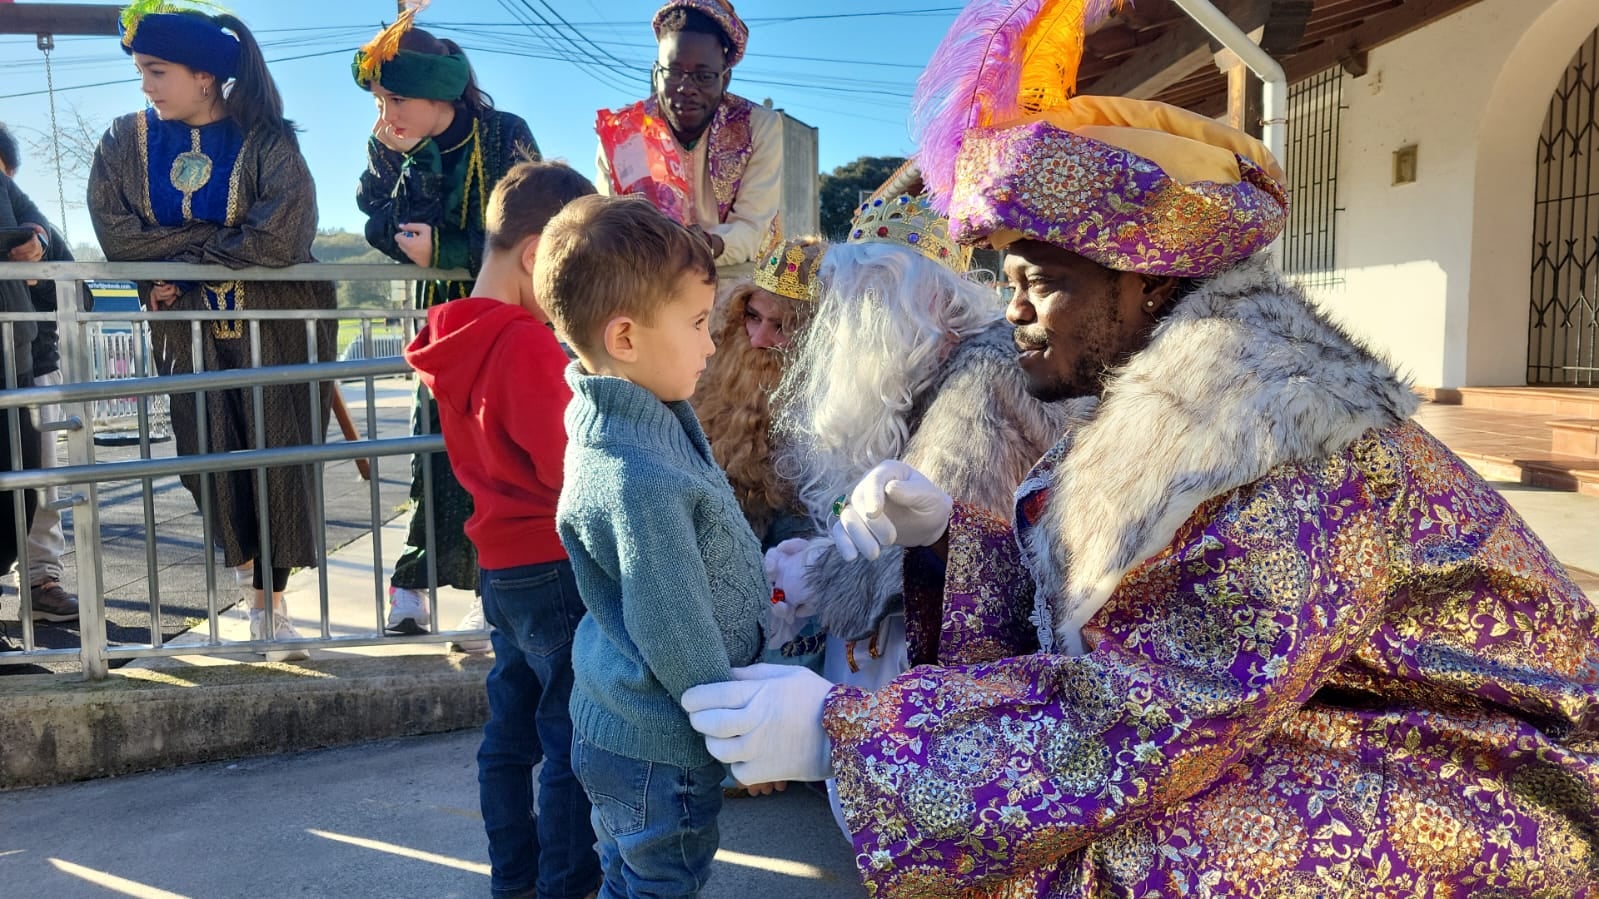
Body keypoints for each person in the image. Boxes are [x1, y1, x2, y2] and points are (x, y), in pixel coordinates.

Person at [680, 1, 1599, 896]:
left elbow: (1159, 705)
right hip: (1345, 723)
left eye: (1042, 282)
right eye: (1008, 281)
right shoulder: (1158, 408)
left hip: (1514, 769)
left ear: (1150, 287)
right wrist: (955, 542)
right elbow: (1115, 625)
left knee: (1135, 857)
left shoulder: (1285, 450)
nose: (1012, 312)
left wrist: (848, 739)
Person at [88, 2, 335, 662]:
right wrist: (206, 255)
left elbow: (280, 236)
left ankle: (270, 604)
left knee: (274, 459)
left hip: (275, 328)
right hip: (189, 334)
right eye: (142, 71)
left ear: (205, 77)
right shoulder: (123, 142)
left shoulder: (269, 141)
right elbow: (119, 235)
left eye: (156, 70)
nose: (145, 85)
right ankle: (251, 584)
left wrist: (182, 263)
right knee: (211, 458)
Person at [538, 195, 766, 897]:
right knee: (659, 882)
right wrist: (736, 726)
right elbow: (671, 621)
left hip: (630, 729)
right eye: (697, 324)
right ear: (627, 339)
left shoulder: (641, 416)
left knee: (628, 875)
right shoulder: (634, 471)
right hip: (658, 747)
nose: (709, 342)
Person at [404, 160, 600, 899]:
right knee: (568, 735)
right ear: (533, 257)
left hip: (502, 566)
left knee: (508, 736)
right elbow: (567, 470)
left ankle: (514, 882)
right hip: (553, 560)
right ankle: (562, 885)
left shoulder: (453, 333)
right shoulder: (520, 343)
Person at [354, 8, 542, 646]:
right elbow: (372, 213)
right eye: (380, 100)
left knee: (505, 454)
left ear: (440, 92)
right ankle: (414, 585)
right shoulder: (391, 144)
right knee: (435, 448)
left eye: (396, 98)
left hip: (514, 316)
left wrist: (450, 251)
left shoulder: (505, 133)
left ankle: (494, 587)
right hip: (445, 321)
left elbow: (538, 225)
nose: (386, 115)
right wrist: (400, 227)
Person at [596, 0, 780, 266]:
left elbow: (752, 227)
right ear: (656, 73)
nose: (686, 87)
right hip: (647, 285)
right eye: (673, 72)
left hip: (734, 282)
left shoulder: (758, 125)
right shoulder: (623, 133)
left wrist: (703, 243)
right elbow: (608, 223)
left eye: (703, 76)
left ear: (725, 78)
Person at [692, 229, 823, 551]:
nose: (757, 339)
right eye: (752, 317)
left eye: (780, 327)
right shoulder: (707, 360)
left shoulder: (826, 404)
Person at [0, 124, 81, 624]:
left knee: (36, 483)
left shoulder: (15, 200)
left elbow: (73, 281)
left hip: (28, 361)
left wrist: (37, 253)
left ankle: (39, 578)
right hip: (18, 357)